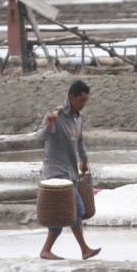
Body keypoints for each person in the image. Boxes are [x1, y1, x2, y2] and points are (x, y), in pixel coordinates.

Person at [35, 80, 101, 260]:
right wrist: (48, 125)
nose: (83, 104)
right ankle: (84, 249)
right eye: (81, 100)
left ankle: (46, 250)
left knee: (63, 213)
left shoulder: (78, 118)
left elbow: (80, 140)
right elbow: (40, 136)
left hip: (70, 172)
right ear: (71, 97)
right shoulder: (55, 116)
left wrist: (84, 159)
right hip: (56, 171)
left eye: (86, 100)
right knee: (75, 208)